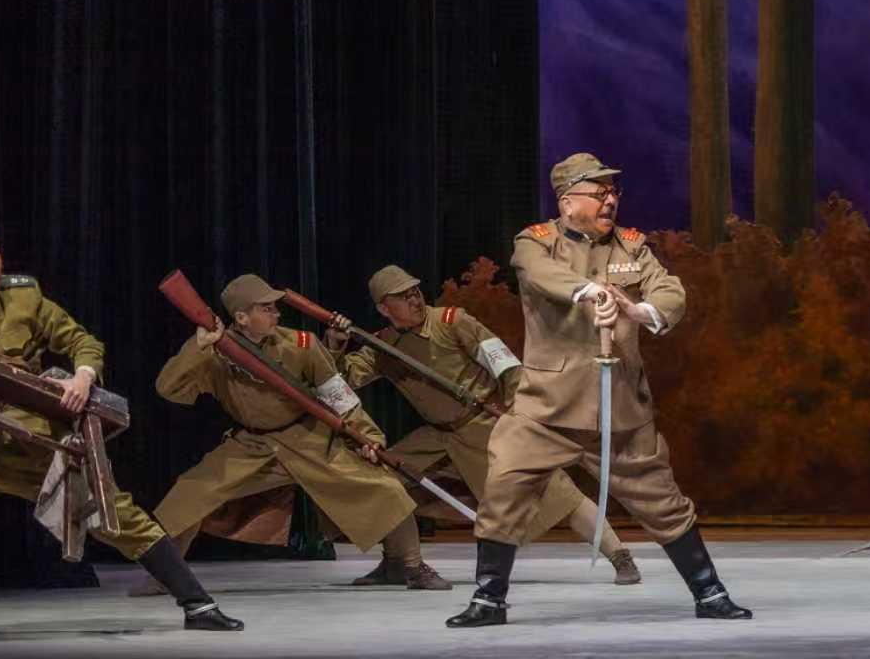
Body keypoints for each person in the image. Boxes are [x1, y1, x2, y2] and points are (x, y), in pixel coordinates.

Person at [446, 153, 751, 627]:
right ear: (568, 202)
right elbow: (541, 275)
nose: (611, 200)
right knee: (503, 490)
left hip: (619, 407)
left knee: (662, 502)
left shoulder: (632, 247)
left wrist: (640, 311)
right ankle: (488, 600)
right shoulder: (536, 242)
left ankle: (709, 593)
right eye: (599, 192)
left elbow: (669, 290)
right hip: (547, 407)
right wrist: (591, 292)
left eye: (613, 192)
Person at [0, 214, 243, 635]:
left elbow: (81, 340)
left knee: (115, 514)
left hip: (35, 443)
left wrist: (83, 376)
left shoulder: (23, 296)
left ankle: (198, 605)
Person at [328, 264, 640, 585]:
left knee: (554, 491)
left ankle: (620, 556)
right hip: (438, 436)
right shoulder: (382, 345)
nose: (415, 300)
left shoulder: (452, 321)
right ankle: (397, 561)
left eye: (415, 292)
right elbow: (342, 381)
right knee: (384, 480)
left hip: (485, 426)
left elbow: (506, 365)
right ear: (383, 308)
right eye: (403, 297)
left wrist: (519, 415)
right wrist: (337, 345)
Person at [148, 273, 446, 591]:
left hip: (308, 438)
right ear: (242, 317)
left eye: (275, 307)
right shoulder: (214, 353)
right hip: (252, 445)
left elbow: (337, 394)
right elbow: (169, 389)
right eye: (267, 309)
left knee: (385, 485)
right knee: (189, 493)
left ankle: (408, 565)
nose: (277, 314)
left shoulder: (301, 344)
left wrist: (369, 436)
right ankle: (166, 577)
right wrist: (197, 347)